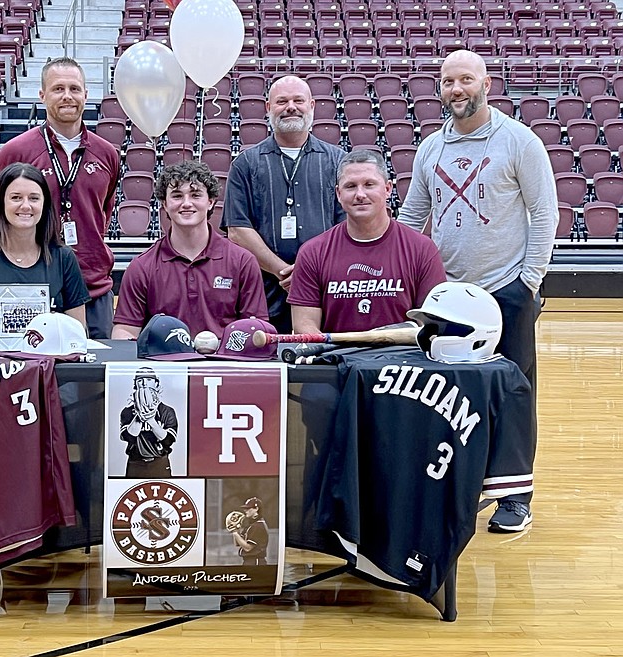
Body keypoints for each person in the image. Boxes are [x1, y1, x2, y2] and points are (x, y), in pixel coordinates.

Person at [397, 50, 559, 533]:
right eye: (448, 81)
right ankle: (460, 487)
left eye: (465, 78)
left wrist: (528, 283)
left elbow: (545, 215)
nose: (456, 89)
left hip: (505, 289)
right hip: (447, 296)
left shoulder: (519, 141)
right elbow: (411, 217)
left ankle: (515, 497)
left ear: (486, 83)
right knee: (446, 395)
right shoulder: (431, 149)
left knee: (513, 392)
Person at [0, 57, 120, 338]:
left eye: (74, 88)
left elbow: (103, 213)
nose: (67, 96)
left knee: (92, 380)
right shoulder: (15, 151)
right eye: (58, 89)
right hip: (30, 289)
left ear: (86, 94)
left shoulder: (108, 154)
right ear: (42, 95)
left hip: (93, 287)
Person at [222, 75, 346, 333]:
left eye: (298, 100)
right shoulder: (246, 164)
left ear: (312, 105)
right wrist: (283, 272)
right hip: (264, 288)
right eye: (282, 101)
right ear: (268, 108)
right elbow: (237, 229)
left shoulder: (338, 162)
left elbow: (346, 225)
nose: (291, 107)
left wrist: (311, 272)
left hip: (326, 286)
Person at [289, 149, 446, 333]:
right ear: (339, 194)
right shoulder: (313, 252)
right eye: (350, 186)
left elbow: (431, 323)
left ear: (388, 189)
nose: (360, 194)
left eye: (369, 184)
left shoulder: (422, 249)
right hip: (336, 359)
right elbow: (304, 325)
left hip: (401, 359)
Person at [112, 160, 268, 340]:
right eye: (177, 196)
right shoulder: (141, 267)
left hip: (225, 365)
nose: (186, 203)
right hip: (164, 365)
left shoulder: (242, 261)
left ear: (210, 202)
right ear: (164, 204)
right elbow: (125, 330)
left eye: (195, 195)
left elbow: (255, 329)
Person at [0, 162, 89, 328]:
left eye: (34, 198)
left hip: (51, 355)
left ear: (44, 204)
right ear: (1, 203)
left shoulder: (64, 258)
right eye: (16, 197)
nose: (25, 206)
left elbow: (78, 333)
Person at [119, 367, 178, 478]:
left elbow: (168, 440)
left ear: (156, 384)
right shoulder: (127, 412)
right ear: (135, 385)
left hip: (159, 462)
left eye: (149, 380)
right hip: (135, 463)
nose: (145, 384)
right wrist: (139, 415)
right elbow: (129, 437)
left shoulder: (167, 411)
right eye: (140, 380)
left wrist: (150, 419)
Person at [232, 497, 269, 566]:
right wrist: (235, 529)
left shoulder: (258, 526)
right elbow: (238, 543)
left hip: (256, 562)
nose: (245, 511)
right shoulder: (251, 525)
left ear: (256, 509)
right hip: (250, 561)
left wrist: (235, 533)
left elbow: (248, 548)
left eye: (248, 508)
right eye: (245, 509)